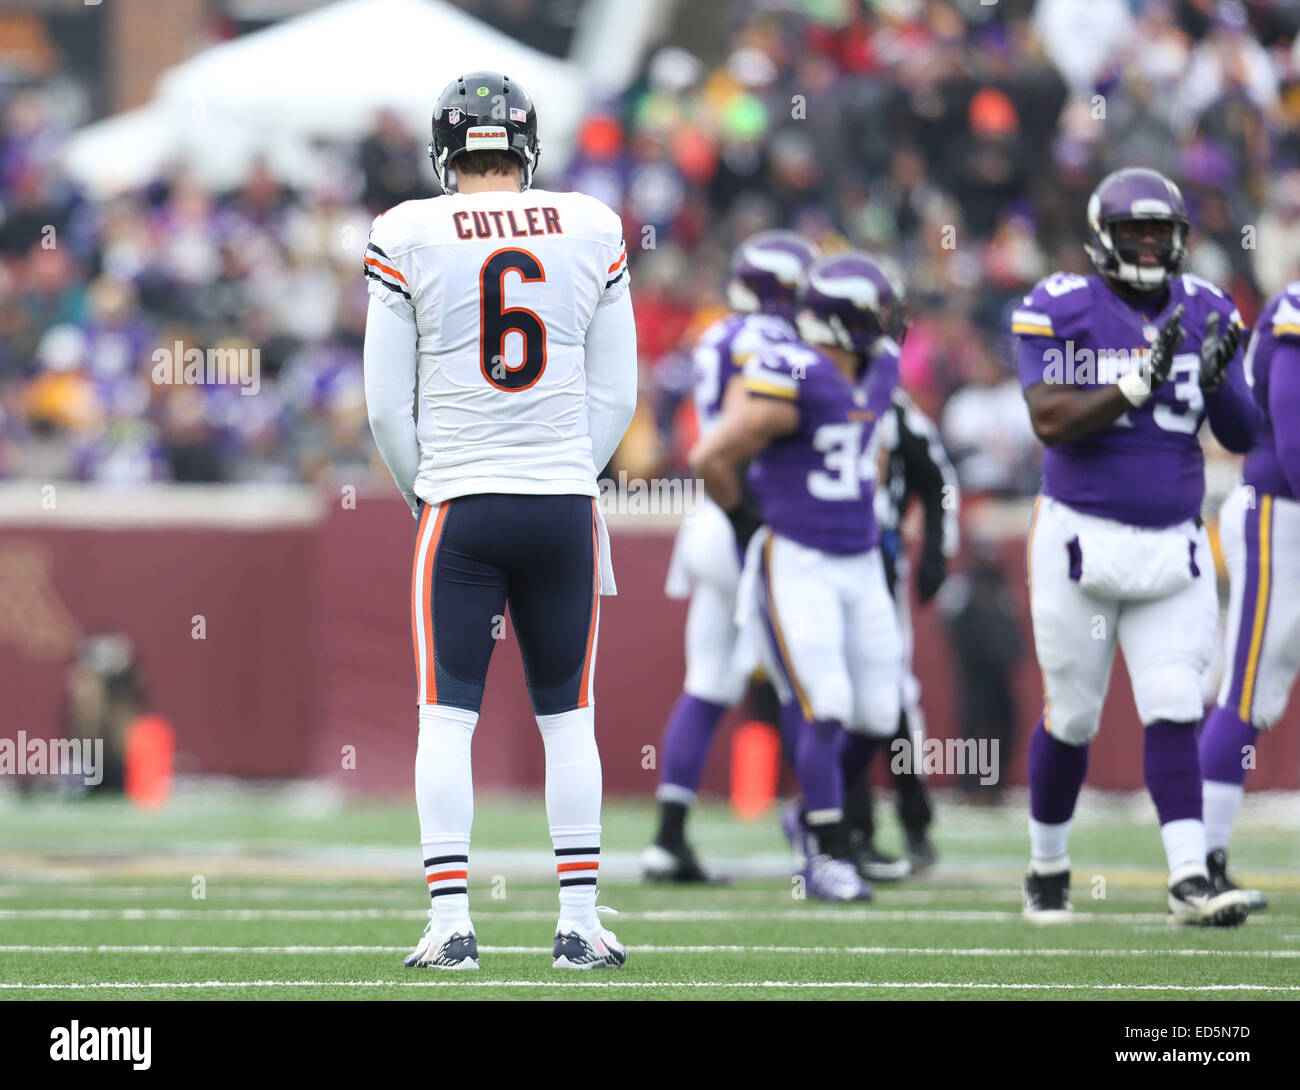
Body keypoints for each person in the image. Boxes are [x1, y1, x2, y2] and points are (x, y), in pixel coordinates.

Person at [362, 71, 637, 970]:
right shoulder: (590, 224)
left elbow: (383, 409)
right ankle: (578, 922)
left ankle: (451, 926)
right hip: (560, 501)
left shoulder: (407, 230)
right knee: (571, 717)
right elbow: (619, 393)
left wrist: (423, 489)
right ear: (525, 146)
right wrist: (569, 470)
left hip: (463, 506)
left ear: (448, 150)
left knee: (446, 718)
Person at [1011, 167, 1261, 926]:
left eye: (1162, 232)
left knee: (1177, 704)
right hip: (1079, 540)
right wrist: (1131, 384)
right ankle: (1047, 868)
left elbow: (1244, 435)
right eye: (1134, 232)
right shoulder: (1061, 305)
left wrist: (1220, 384)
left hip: (1175, 544)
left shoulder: (1209, 307)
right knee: (1074, 716)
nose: (1150, 245)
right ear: (1101, 239)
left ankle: (1189, 877)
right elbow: (1048, 419)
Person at [691, 252, 905, 901]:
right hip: (800, 557)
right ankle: (827, 850)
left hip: (861, 556)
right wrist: (748, 522)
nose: (890, 323)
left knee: (878, 710)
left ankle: (810, 818)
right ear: (845, 322)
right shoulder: (795, 371)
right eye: (877, 312)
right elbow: (710, 454)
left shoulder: (883, 366)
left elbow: (877, 443)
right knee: (826, 703)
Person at [643, 230, 818, 884]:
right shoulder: (785, 345)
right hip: (758, 516)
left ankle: (667, 838)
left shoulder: (713, 335)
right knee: (804, 681)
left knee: (707, 681)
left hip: (706, 517)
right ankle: (819, 837)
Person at [1198, 279, 1300, 908]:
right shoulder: (1293, 310)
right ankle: (1201, 860)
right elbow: (1292, 440)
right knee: (1251, 686)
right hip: (1281, 516)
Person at [846, 386, 959, 878]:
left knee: (888, 692)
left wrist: (937, 549)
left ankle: (910, 819)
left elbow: (939, 481)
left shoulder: (893, 408)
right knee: (827, 695)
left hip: (875, 564)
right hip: (806, 563)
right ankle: (844, 827)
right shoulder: (801, 384)